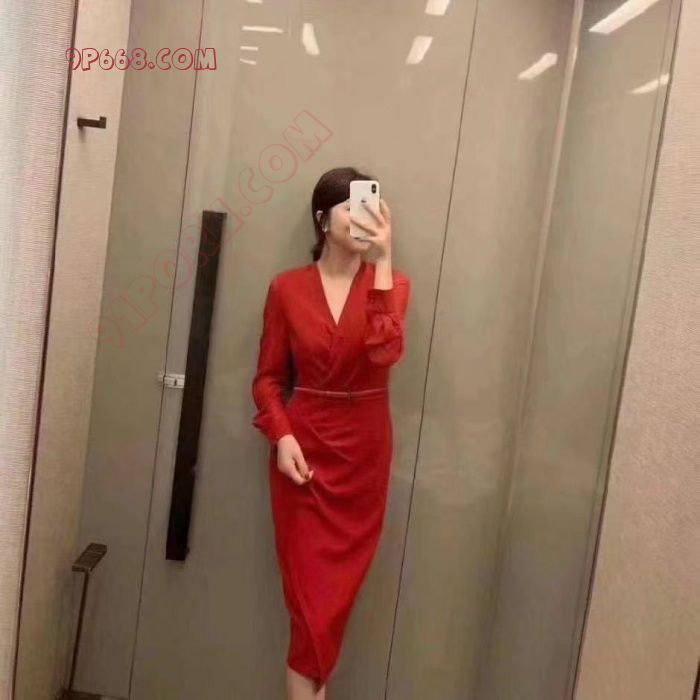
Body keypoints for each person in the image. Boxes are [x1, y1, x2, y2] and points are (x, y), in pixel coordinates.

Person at [251, 166, 411, 699]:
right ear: (323, 219)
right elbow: (267, 380)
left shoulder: (393, 285)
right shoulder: (287, 289)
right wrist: (283, 437)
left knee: (330, 613)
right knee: (309, 615)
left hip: (363, 459)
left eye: (372, 206)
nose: (365, 216)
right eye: (352, 207)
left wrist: (383, 260)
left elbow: (385, 352)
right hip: (304, 461)